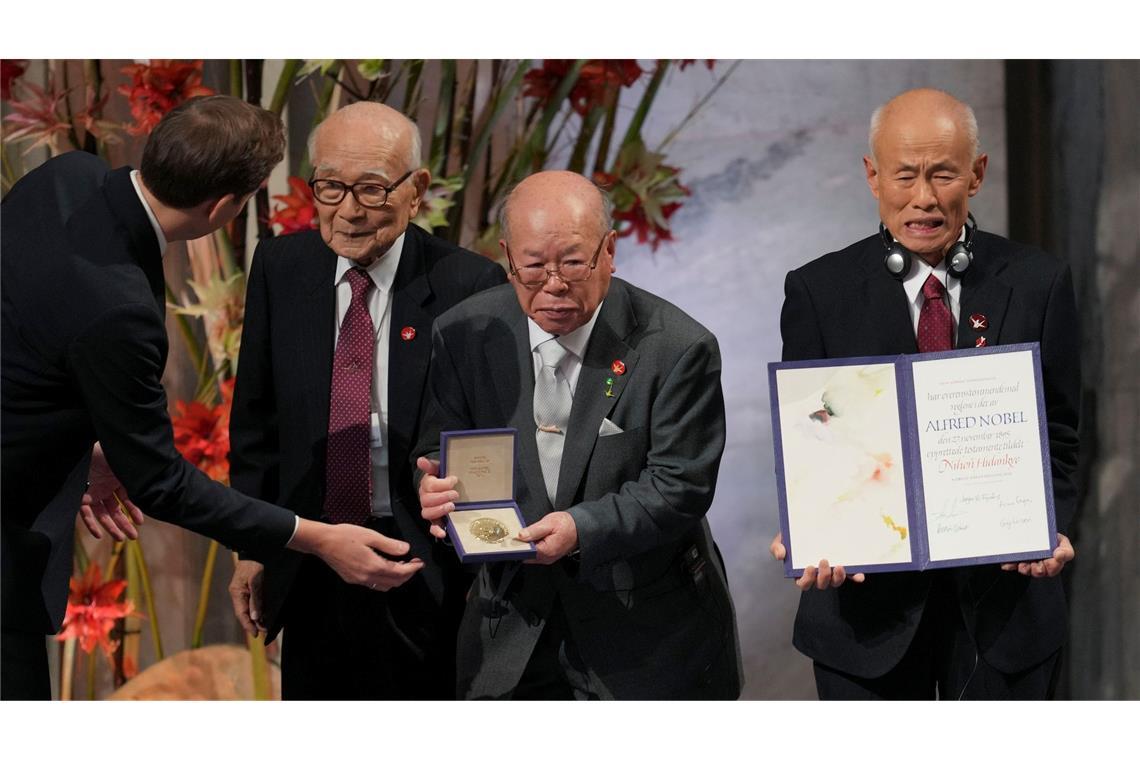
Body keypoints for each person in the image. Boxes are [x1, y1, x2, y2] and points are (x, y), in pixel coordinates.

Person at [0, 95, 413, 701]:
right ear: (224, 207)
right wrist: (314, 536)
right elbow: (160, 482)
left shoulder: (69, 175)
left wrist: (82, 444)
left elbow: (24, 336)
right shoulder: (119, 310)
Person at [770, 88, 1079, 699]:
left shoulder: (1040, 282)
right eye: (905, 175)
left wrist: (1052, 527)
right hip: (864, 617)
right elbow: (809, 431)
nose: (924, 198)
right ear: (872, 176)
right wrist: (806, 526)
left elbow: (1061, 435)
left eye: (943, 174)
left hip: (1005, 608)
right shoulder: (818, 291)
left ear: (978, 173)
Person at [415, 170, 742, 699]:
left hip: (641, 636)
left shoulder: (676, 347)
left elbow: (680, 485)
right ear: (506, 256)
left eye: (572, 262)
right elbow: (437, 447)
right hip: (510, 631)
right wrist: (431, 489)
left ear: (609, 251)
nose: (553, 284)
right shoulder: (464, 333)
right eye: (534, 266)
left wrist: (580, 528)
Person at [225, 102, 506, 700]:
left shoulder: (469, 286)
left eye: (373, 190)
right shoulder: (281, 266)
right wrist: (251, 546)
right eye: (330, 187)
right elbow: (256, 421)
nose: (348, 211)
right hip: (310, 553)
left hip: (422, 565)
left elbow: (485, 439)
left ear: (416, 190)